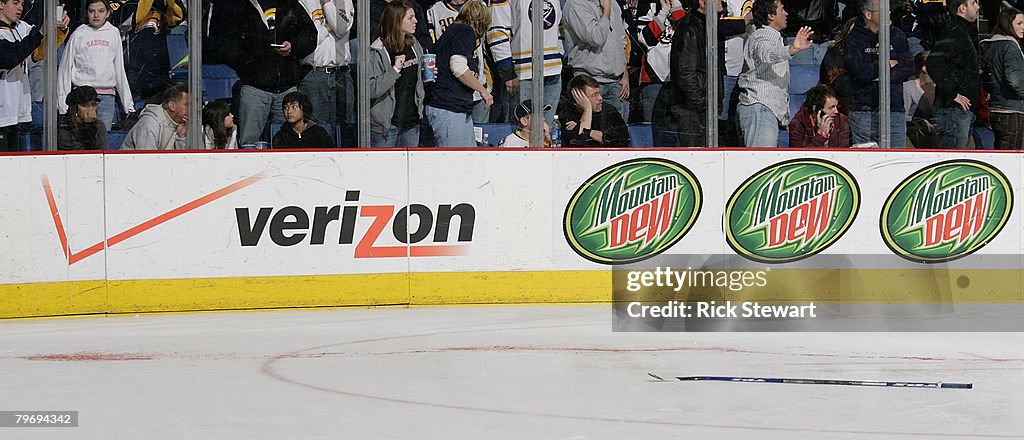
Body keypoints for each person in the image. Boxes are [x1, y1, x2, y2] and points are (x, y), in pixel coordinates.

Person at [223, 0, 317, 146]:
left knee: (288, 142)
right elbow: (227, 43)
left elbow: (310, 35)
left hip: (287, 88)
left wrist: (293, 46)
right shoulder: (240, 7)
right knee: (249, 142)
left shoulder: (290, 4)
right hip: (254, 88)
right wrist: (252, 62)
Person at [736, 0, 812, 147]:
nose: (786, 13)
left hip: (765, 111)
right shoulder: (763, 36)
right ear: (770, 15)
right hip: (760, 109)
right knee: (760, 165)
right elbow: (767, 54)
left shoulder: (773, 36)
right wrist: (792, 49)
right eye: (782, 9)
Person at [57, 0, 134, 131]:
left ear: (108, 13)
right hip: (82, 97)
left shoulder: (113, 33)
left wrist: (128, 105)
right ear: (87, 13)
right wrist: (63, 105)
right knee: (82, 140)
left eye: (101, 11)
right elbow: (65, 69)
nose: (96, 15)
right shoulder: (78, 34)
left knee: (102, 140)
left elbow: (119, 70)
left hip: (107, 97)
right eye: (92, 11)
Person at [845, 0, 913, 148]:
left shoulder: (897, 35)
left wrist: (879, 77)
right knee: (866, 161)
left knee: (897, 160)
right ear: (868, 15)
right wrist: (888, 64)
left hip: (894, 110)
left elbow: (907, 67)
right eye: (883, 10)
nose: (888, 13)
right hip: (864, 111)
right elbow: (860, 71)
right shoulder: (854, 39)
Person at [424, 0, 492, 147]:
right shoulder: (464, 31)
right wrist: (483, 91)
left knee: (467, 159)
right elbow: (458, 68)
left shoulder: (454, 30)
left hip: (453, 108)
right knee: (454, 162)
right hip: (448, 107)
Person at [487, 0, 563, 124]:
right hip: (522, 75)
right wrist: (508, 71)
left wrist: (559, 55)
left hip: (553, 73)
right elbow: (496, 32)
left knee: (546, 131)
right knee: (519, 129)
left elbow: (559, 26)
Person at [368, 0, 427, 147]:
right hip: (387, 126)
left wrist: (425, 74)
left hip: (412, 122)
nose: (416, 21)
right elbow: (371, 89)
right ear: (397, 21)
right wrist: (394, 70)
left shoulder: (414, 43)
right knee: (385, 169)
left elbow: (415, 81)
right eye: (410, 18)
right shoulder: (377, 51)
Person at [297, 0, 354, 146]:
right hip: (314, 74)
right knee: (316, 127)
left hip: (341, 74)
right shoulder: (304, 1)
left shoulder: (344, 1)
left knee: (343, 127)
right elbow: (307, 38)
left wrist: (327, 3)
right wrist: (325, 29)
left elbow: (341, 28)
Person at [925, 0, 980, 149]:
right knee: (953, 159)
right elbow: (933, 62)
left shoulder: (963, 32)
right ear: (962, 8)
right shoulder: (953, 31)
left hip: (963, 109)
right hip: (953, 110)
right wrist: (952, 94)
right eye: (974, 3)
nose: (978, 7)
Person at [108, 0, 186, 99]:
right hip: (129, 71)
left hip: (157, 69)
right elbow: (124, 20)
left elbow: (177, 18)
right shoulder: (118, 3)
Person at [563, 0, 630, 114]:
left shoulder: (612, 3)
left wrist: (624, 73)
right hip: (589, 81)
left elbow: (621, 40)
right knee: (591, 128)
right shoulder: (576, 4)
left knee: (617, 130)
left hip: (614, 83)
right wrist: (606, 11)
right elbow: (596, 38)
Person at [0, 0, 42, 151]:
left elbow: (38, 52)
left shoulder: (22, 27)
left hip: (15, 111)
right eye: (15, 2)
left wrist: (59, 29)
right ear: (1, 4)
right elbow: (8, 58)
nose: (20, 8)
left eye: (22, 4)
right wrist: (39, 35)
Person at [980, 7, 1024, 149]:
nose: (1023, 27)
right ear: (1007, 24)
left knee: (1002, 152)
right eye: (1019, 23)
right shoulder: (1010, 47)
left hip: (995, 108)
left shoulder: (990, 46)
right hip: (1011, 110)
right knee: (1012, 154)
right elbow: (1015, 81)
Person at [558, 73, 630, 146]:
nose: (600, 98)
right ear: (578, 99)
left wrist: (588, 132)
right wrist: (587, 109)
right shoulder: (566, 114)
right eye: (594, 95)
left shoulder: (609, 110)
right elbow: (580, 145)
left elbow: (623, 140)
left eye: (598, 94)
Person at [122, 83, 188, 150]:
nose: (193, 108)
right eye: (187, 104)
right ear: (172, 106)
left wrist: (181, 138)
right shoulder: (149, 123)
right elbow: (146, 158)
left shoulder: (183, 126)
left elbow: (183, 158)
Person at [57, 85, 108, 150]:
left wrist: (90, 126)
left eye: (93, 105)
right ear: (75, 108)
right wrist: (88, 127)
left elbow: (102, 152)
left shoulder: (100, 126)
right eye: (85, 106)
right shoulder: (64, 127)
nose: (90, 109)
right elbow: (75, 151)